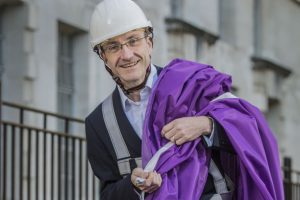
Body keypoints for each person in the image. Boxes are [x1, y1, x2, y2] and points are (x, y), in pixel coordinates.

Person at [85, 0, 284, 199]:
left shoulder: (193, 84)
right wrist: (133, 185)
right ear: (103, 57)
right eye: (113, 47)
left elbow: (254, 133)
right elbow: (108, 193)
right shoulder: (99, 122)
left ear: (149, 43)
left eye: (133, 40)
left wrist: (207, 125)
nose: (127, 54)